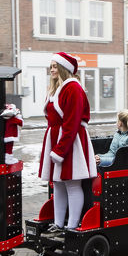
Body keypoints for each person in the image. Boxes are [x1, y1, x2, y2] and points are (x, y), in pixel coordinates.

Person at [39, 52, 96, 232]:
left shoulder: (73, 88)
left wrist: (60, 150)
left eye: (55, 66)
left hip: (71, 141)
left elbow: (71, 123)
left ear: (64, 68)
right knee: (58, 184)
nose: (52, 70)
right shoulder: (56, 88)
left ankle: (71, 226)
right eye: (51, 67)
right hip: (57, 138)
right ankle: (58, 224)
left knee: (72, 184)